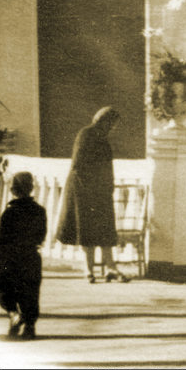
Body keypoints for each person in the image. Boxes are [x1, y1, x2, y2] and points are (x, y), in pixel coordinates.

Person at [55, 106, 130, 283]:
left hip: (100, 191)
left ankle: (110, 268)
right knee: (87, 229)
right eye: (112, 124)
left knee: (105, 229)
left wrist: (105, 186)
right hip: (83, 190)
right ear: (104, 121)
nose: (113, 128)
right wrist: (93, 188)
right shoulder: (86, 134)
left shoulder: (102, 138)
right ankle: (88, 270)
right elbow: (79, 164)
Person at [0, 171, 47, 339]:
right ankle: (30, 326)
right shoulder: (39, 211)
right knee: (30, 291)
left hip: (10, 257)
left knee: (2, 286)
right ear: (30, 188)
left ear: (14, 190)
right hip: (31, 256)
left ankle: (13, 313)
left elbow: (1, 237)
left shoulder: (10, 212)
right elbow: (41, 235)